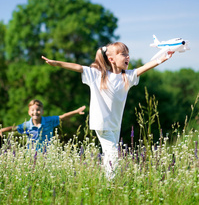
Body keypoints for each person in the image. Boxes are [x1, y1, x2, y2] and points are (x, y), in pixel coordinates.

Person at [41, 42, 174, 177]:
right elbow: (78, 67)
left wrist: (161, 59)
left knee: (108, 154)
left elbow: (144, 68)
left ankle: (105, 180)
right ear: (111, 59)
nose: (127, 57)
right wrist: (56, 63)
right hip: (101, 123)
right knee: (112, 154)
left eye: (128, 54)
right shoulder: (97, 75)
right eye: (123, 54)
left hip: (115, 124)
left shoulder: (126, 77)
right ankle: (111, 184)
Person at [0, 99, 86, 148]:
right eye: (32, 110)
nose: (35, 112)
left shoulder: (49, 121)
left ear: (42, 111)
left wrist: (76, 111)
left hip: (47, 154)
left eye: (38, 110)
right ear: (29, 112)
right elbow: (14, 128)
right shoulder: (27, 125)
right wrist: (2, 130)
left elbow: (63, 117)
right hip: (31, 155)